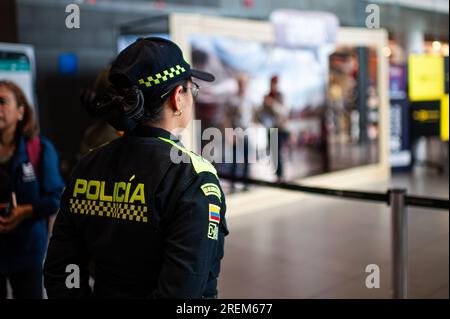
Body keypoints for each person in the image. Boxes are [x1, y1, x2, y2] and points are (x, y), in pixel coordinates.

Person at [44, 37, 229, 299]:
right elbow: (181, 291)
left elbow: (60, 269)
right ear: (178, 98)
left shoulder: (87, 165)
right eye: (192, 90)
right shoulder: (192, 177)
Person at [0, 80, 64, 299]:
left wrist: (25, 211)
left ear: (20, 112)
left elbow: (56, 197)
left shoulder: (40, 149)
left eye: (2, 101)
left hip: (28, 253)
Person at [257, 75, 289, 182]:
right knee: (274, 152)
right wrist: (264, 107)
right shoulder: (267, 96)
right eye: (272, 82)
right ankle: (278, 174)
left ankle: (280, 175)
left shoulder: (280, 96)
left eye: (275, 83)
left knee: (278, 151)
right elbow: (262, 115)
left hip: (280, 129)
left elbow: (284, 111)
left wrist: (272, 104)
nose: (273, 85)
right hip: (270, 129)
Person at [225, 75, 252, 192]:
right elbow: (226, 118)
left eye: (245, 83)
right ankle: (233, 186)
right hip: (236, 132)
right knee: (235, 161)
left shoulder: (248, 100)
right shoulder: (233, 101)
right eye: (241, 83)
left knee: (247, 159)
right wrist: (229, 133)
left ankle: (246, 184)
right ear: (238, 84)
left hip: (246, 132)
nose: (244, 86)